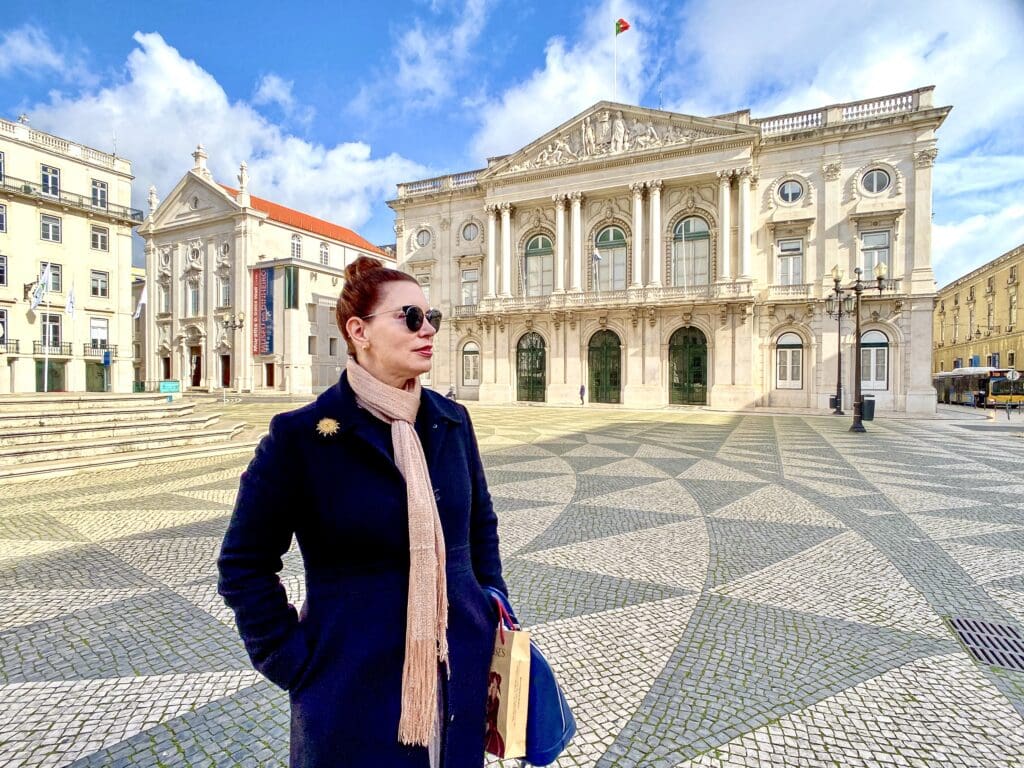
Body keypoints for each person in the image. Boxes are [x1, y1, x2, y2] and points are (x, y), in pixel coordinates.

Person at [218, 256, 506, 767]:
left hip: (457, 672)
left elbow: (480, 526)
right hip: (349, 687)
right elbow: (243, 563)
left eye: (431, 317)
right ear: (359, 331)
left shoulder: (451, 421)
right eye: (410, 317)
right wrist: (290, 659)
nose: (429, 330)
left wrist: (490, 606)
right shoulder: (302, 437)